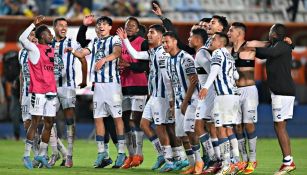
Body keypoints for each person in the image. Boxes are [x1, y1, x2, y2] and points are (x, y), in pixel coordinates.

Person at [67, 16, 126, 168]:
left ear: (110, 27)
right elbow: (81, 54)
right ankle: (102, 153)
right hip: (98, 86)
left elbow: (117, 53)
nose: (101, 26)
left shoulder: (114, 40)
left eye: (105, 24)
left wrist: (104, 60)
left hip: (112, 85)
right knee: (98, 118)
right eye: (99, 23)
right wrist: (72, 50)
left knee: (117, 118)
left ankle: (121, 153)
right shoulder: (94, 42)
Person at [117, 25, 176, 172]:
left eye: (152, 32)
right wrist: (125, 40)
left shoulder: (162, 53)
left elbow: (167, 79)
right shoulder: (153, 52)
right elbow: (136, 55)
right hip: (154, 96)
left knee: (163, 127)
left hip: (162, 96)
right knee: (143, 124)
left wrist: (171, 100)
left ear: (160, 37)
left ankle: (171, 159)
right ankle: (163, 155)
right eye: (148, 32)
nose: (148, 35)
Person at [246, 23, 296, 175]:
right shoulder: (281, 45)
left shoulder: (280, 46)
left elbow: (269, 53)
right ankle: (288, 161)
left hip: (281, 92)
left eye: (270, 32)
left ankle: (288, 162)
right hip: (283, 92)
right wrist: (254, 49)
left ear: (274, 34)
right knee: (281, 127)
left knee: (279, 127)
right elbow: (264, 53)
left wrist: (253, 49)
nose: (268, 34)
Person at [48, 17, 87, 168]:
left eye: (66, 25)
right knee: (48, 120)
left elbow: (83, 59)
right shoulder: (47, 43)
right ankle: (56, 153)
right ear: (54, 27)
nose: (64, 28)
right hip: (50, 87)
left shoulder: (72, 42)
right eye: (60, 25)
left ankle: (69, 156)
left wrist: (84, 80)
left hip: (67, 86)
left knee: (70, 119)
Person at [163, 31, 204, 174]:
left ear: (175, 42)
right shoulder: (167, 60)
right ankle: (193, 164)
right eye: (163, 42)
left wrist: (185, 102)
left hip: (191, 101)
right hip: (179, 102)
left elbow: (193, 81)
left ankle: (200, 162)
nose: (164, 45)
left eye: (166, 42)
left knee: (191, 132)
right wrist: (173, 101)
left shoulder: (186, 58)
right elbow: (173, 83)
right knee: (181, 135)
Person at [19, 15, 57, 169]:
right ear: (42, 36)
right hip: (38, 92)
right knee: (35, 122)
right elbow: (22, 38)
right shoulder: (34, 49)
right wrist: (33, 24)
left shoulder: (50, 49)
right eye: (49, 33)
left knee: (49, 123)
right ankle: (26, 155)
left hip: (51, 91)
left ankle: (41, 154)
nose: (52, 35)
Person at [199, 32, 240, 175]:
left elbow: (214, 70)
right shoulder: (229, 55)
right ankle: (236, 163)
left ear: (221, 42)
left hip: (222, 96)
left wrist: (205, 87)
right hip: (233, 95)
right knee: (229, 129)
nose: (211, 40)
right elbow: (236, 76)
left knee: (221, 130)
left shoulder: (217, 53)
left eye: (214, 39)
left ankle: (226, 164)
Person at [188, 28, 221, 174]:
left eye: (191, 37)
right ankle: (214, 158)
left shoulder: (201, 53)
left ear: (198, 39)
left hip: (210, 95)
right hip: (206, 95)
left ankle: (217, 159)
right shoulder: (201, 53)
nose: (188, 39)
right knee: (204, 126)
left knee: (205, 126)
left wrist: (206, 87)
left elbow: (214, 72)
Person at [227, 22, 258, 174]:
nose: (228, 33)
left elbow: (269, 44)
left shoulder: (251, 47)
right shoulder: (227, 50)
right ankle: (243, 159)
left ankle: (253, 159)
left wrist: (285, 41)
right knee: (237, 126)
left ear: (239, 33)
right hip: (234, 91)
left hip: (249, 90)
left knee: (248, 124)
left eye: (231, 30)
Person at [119, 16, 149, 169]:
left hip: (139, 86)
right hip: (124, 87)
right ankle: (130, 156)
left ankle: (139, 153)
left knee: (134, 121)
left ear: (138, 29)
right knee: (125, 122)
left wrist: (129, 65)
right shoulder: (122, 43)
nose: (129, 27)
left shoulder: (142, 42)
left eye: (132, 25)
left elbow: (144, 67)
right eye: (127, 25)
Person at [18, 28, 41, 167]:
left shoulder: (40, 50)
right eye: (31, 35)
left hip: (39, 92)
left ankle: (57, 152)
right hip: (26, 93)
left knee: (45, 123)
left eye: (35, 35)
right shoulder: (21, 53)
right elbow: (22, 74)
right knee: (28, 124)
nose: (33, 37)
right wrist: (21, 93)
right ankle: (37, 154)